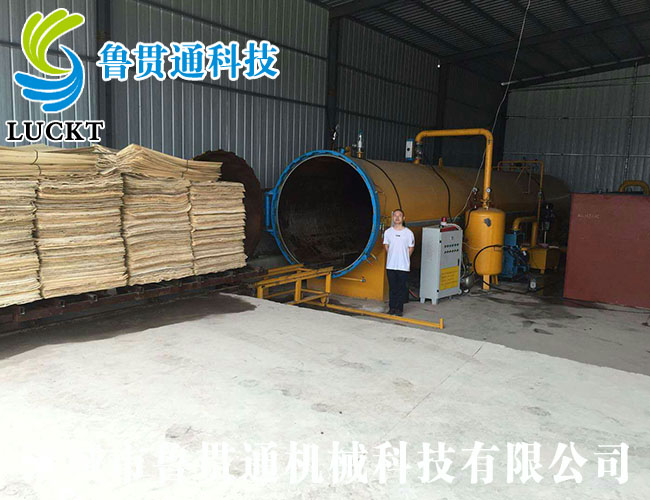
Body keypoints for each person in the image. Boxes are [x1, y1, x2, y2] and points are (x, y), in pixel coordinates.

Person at [383, 209, 415, 316]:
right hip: (391, 265)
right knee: (392, 288)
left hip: (403, 266)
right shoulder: (388, 232)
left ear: (403, 218)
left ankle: (399, 309)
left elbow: (411, 248)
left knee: (401, 288)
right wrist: (394, 256)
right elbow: (386, 246)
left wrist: (404, 258)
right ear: (392, 218)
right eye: (395, 215)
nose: (397, 217)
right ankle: (392, 308)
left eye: (399, 215)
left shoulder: (408, 233)